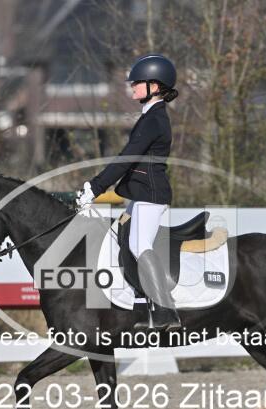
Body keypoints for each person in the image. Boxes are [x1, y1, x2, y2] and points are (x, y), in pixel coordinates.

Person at [76, 53, 181, 332]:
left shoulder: (154, 120)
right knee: (123, 241)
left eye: (138, 82)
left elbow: (126, 158)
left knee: (139, 245)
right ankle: (140, 303)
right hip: (140, 194)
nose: (132, 86)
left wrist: (95, 187)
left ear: (154, 87)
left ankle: (165, 311)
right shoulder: (150, 117)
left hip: (150, 194)